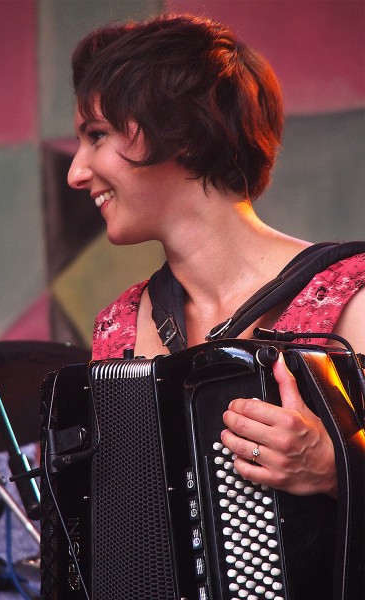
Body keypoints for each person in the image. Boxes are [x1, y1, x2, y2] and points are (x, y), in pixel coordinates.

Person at [67, 14, 365, 506]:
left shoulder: (352, 297)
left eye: (96, 135)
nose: (76, 172)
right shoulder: (119, 326)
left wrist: (338, 469)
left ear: (180, 131)